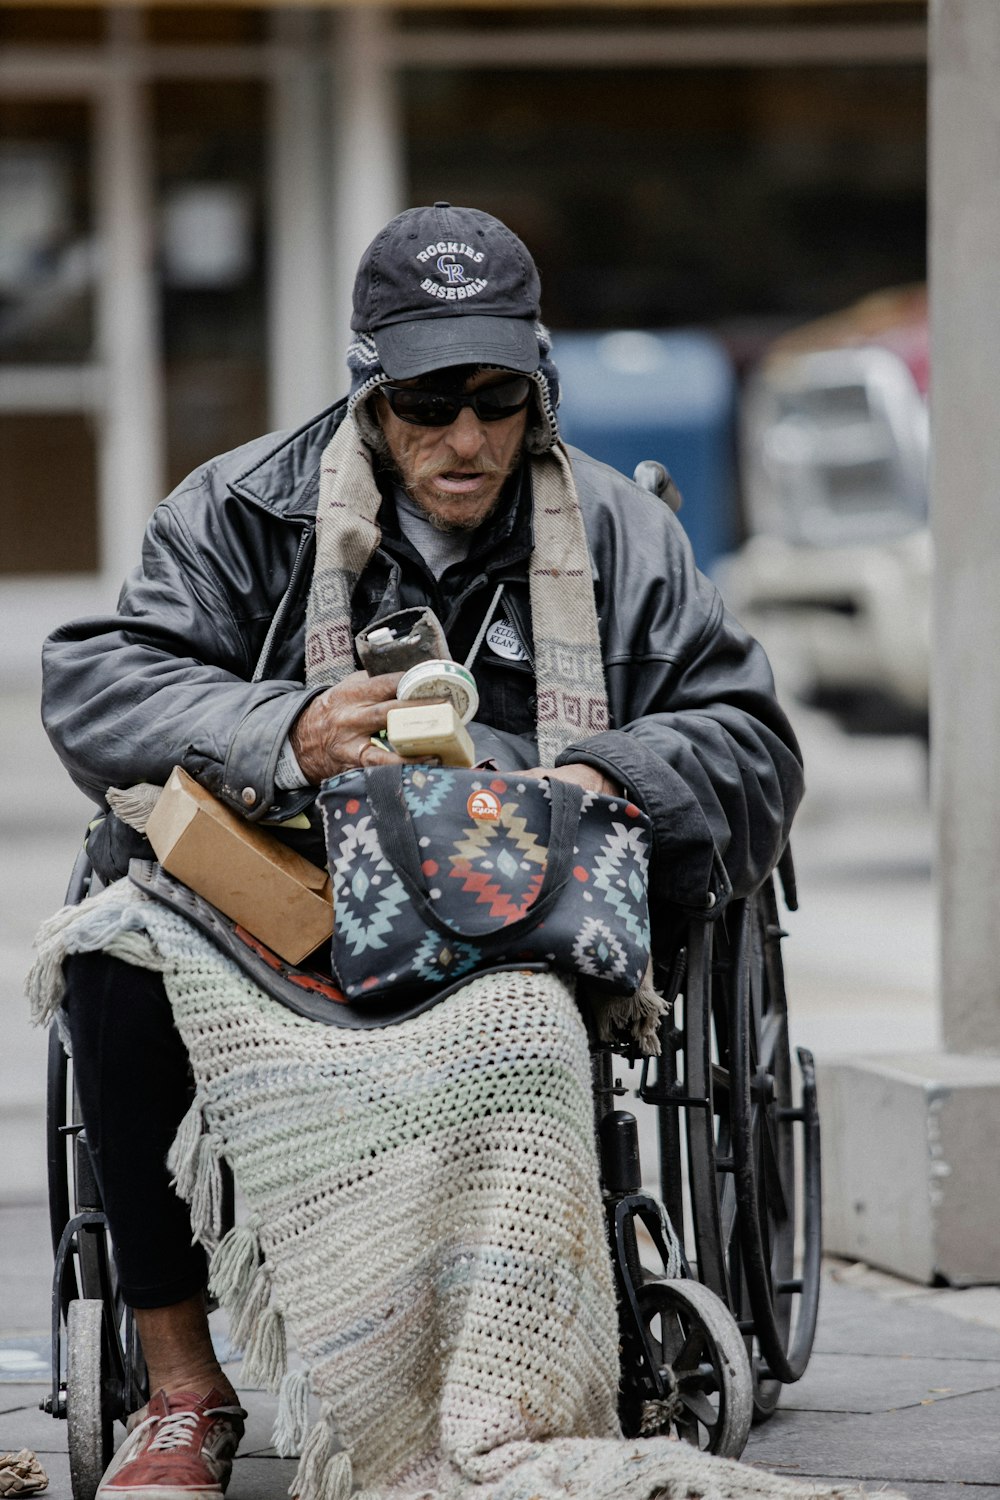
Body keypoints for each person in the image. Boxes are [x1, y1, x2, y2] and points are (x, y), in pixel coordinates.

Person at [40, 202, 804, 1500]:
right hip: (287, 911)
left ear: (539, 391)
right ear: (367, 393)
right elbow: (96, 688)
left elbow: (750, 740)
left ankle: (494, 1381)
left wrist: (595, 774)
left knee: (522, 1029)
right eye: (427, 403)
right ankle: (181, 1385)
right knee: (113, 959)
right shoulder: (239, 512)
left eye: (497, 401)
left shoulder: (621, 535)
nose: (465, 439)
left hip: (512, 923)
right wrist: (284, 724)